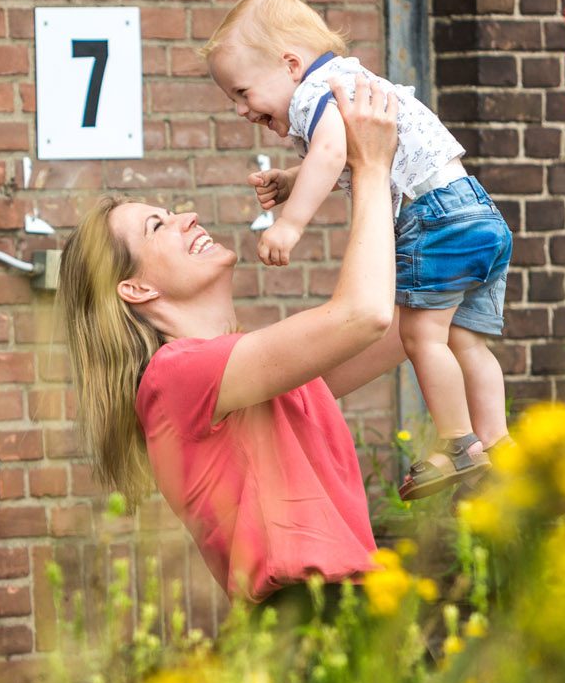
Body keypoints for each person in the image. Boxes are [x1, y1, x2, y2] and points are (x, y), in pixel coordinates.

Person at [59, 74, 409, 612]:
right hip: (305, 614)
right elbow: (364, 315)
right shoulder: (174, 377)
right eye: (159, 225)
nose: (187, 218)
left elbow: (410, 322)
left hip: (356, 606)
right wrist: (370, 167)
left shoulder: (257, 373)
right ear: (137, 288)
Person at [203, 0, 514, 500]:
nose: (240, 109)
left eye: (241, 92)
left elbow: (329, 154)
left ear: (289, 64)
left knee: (421, 339)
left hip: (431, 218)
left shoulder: (313, 92)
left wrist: (290, 224)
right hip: (475, 212)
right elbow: (339, 153)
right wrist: (290, 179)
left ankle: (458, 442)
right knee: (466, 340)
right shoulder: (345, 80)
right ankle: (498, 438)